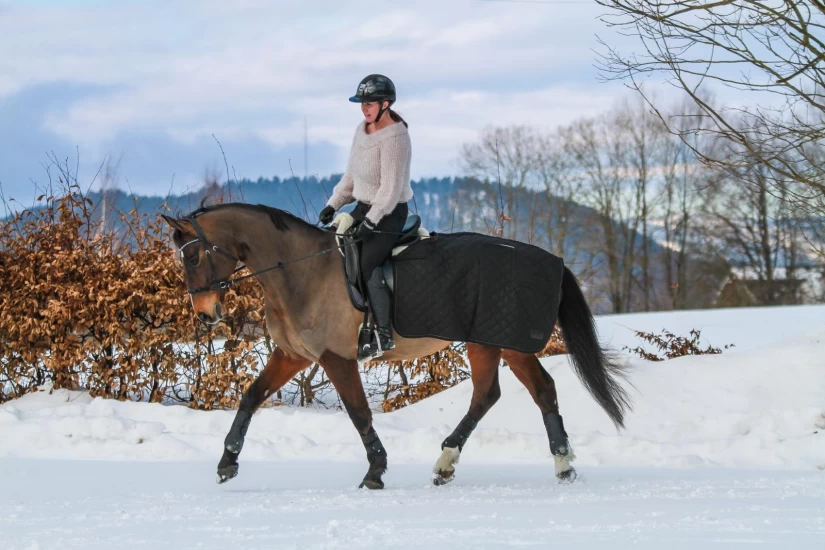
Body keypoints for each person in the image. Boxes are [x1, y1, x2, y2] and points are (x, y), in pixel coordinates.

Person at [318, 74, 413, 361]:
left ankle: (383, 335)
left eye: (369, 103)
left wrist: (372, 223)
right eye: (362, 103)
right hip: (363, 207)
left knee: (368, 264)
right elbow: (352, 176)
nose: (364, 108)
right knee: (336, 254)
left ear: (386, 104)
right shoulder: (363, 129)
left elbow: (390, 189)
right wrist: (333, 204)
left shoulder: (396, 137)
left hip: (390, 213)